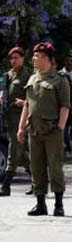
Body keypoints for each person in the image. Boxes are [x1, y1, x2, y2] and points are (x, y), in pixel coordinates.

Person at [16, 42, 71, 216]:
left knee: (55, 167)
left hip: (52, 131)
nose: (34, 59)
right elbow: (27, 104)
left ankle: (58, 204)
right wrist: (20, 128)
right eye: (34, 56)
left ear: (47, 59)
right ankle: (40, 204)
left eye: (37, 56)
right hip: (34, 130)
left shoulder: (60, 80)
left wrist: (60, 128)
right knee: (36, 167)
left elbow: (65, 107)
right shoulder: (33, 79)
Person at [1, 46, 32, 197]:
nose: (13, 61)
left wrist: (24, 101)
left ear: (22, 58)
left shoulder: (29, 75)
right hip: (9, 116)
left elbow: (35, 97)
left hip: (21, 117)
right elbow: (4, 91)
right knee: (21, 151)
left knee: (14, 148)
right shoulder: (8, 75)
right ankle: (37, 181)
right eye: (11, 58)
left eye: (16, 58)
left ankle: (6, 185)